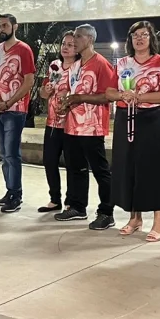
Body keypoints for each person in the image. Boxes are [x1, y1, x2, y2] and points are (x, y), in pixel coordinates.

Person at [106, 20, 160, 242]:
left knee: (154, 168)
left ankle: (159, 221)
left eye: (144, 35)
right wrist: (122, 95)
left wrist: (139, 97)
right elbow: (109, 91)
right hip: (125, 117)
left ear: (151, 38)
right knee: (128, 167)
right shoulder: (122, 63)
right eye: (135, 35)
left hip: (152, 119)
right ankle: (134, 218)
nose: (139, 39)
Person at [56, 24, 116, 230]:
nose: (74, 40)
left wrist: (80, 98)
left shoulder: (101, 64)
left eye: (79, 36)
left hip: (92, 127)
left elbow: (108, 95)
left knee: (100, 170)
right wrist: (66, 103)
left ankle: (107, 212)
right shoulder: (76, 65)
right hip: (72, 125)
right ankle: (77, 206)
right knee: (75, 168)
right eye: (74, 36)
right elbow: (72, 91)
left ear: (90, 39)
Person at [0, 13, 35, 214]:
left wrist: (9, 102)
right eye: (0, 26)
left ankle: (16, 194)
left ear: (15, 26)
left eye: (5, 25)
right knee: (3, 153)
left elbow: (29, 81)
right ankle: (9, 190)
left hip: (15, 110)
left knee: (11, 153)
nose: (2, 29)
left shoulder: (24, 49)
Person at [38, 31, 78, 213]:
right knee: (49, 161)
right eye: (63, 44)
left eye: (70, 45)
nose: (65, 47)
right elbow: (43, 93)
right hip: (52, 123)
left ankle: (71, 200)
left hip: (71, 124)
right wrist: (46, 90)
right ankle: (55, 199)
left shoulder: (79, 67)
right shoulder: (54, 66)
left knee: (71, 163)